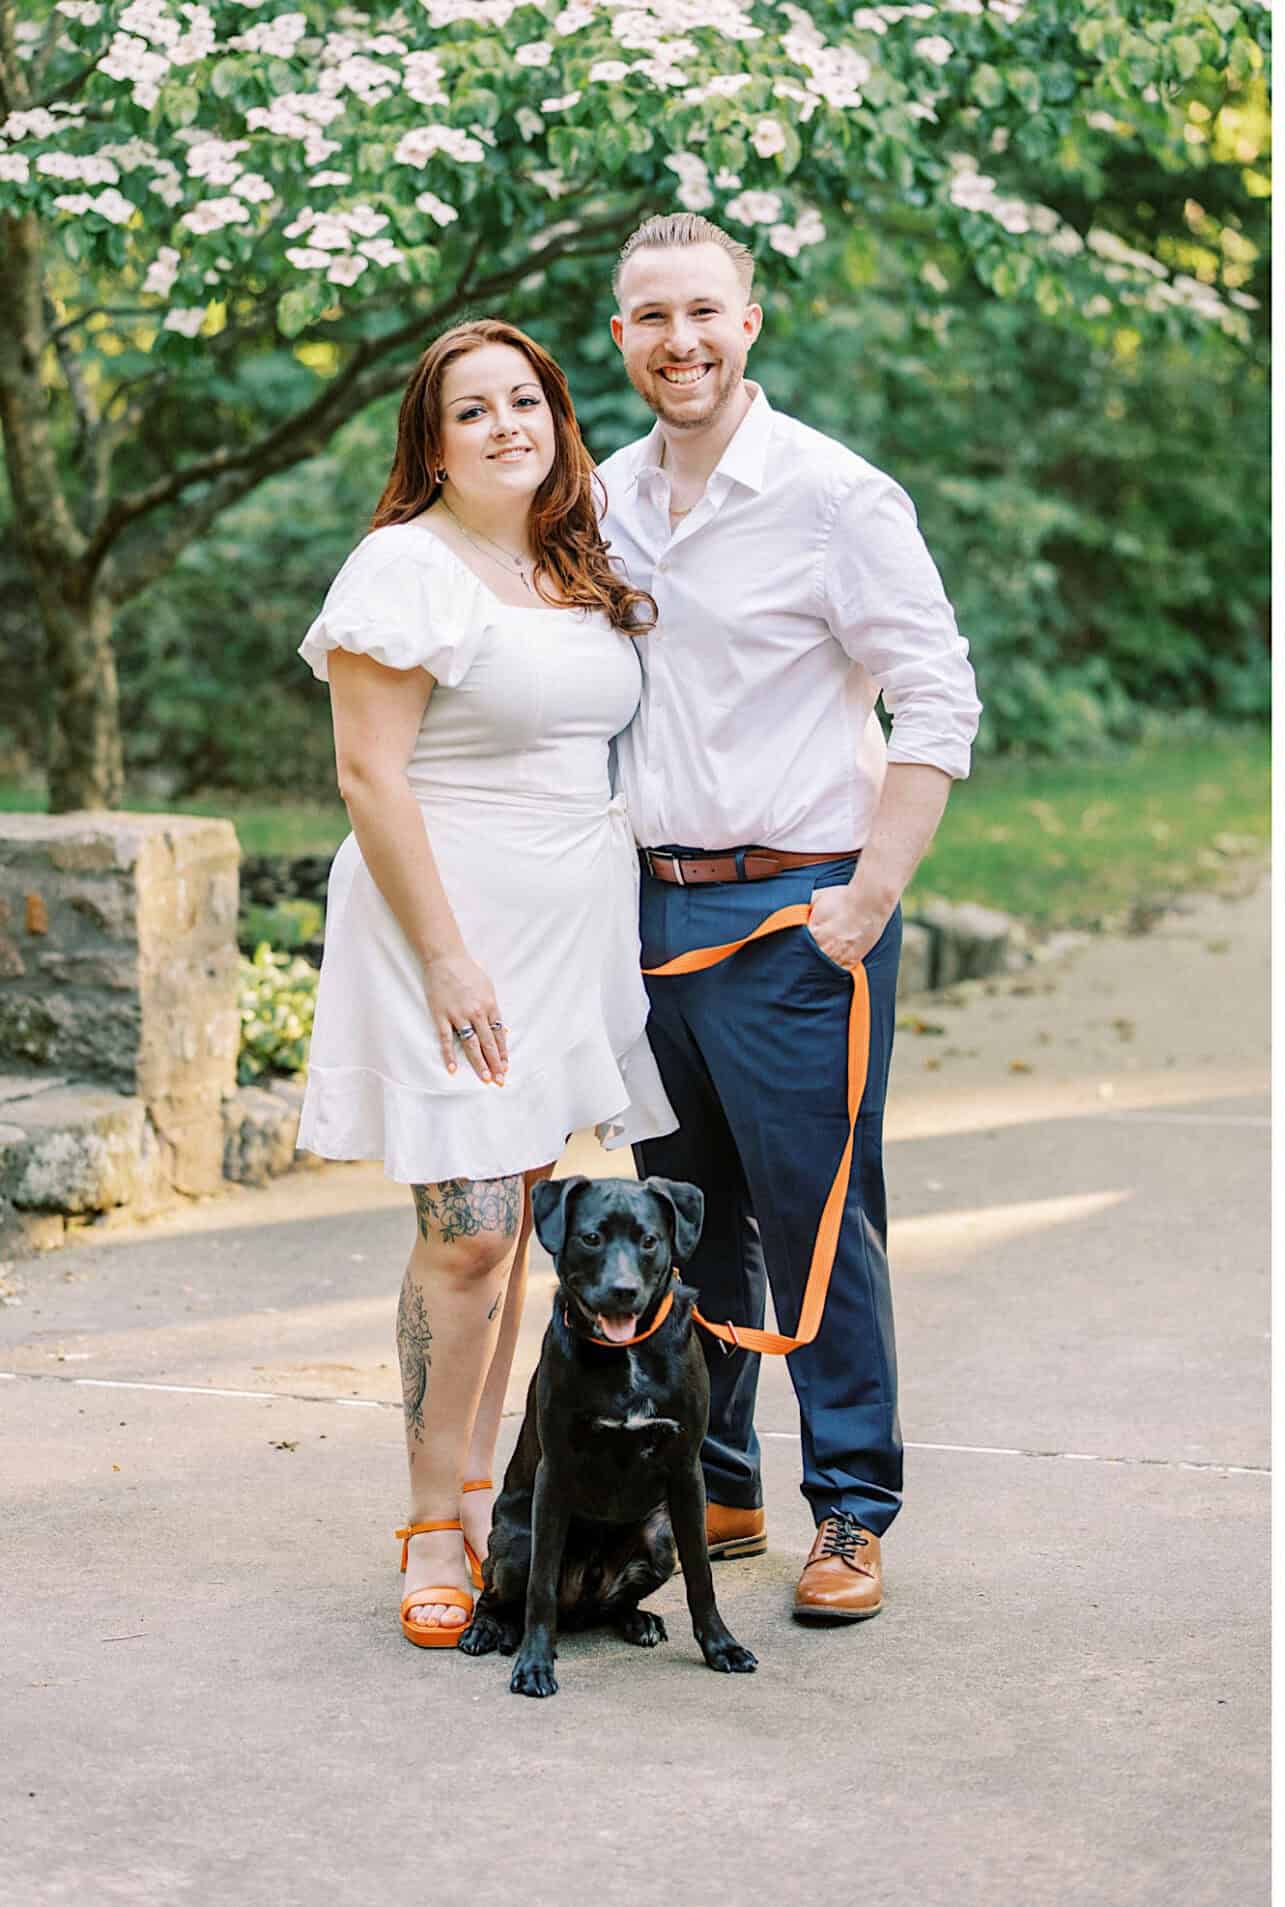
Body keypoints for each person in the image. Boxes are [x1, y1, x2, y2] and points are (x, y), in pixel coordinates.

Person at [597, 214, 980, 1626]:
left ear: (751, 320)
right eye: (650, 315)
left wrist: (871, 894)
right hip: (651, 917)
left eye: (704, 310)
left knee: (821, 1220)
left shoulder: (835, 496)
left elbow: (938, 695)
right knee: (691, 1218)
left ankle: (853, 1511)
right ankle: (719, 1481)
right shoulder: (603, 496)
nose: (679, 339)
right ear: (622, 332)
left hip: (797, 910)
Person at [295, 319, 676, 1649]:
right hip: (443, 924)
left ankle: (488, 1487)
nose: (509, 423)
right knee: (466, 1233)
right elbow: (369, 775)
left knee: (515, 1230)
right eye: (475, 409)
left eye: (528, 399)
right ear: (432, 441)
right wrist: (449, 952)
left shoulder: (570, 562)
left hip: (568, 927)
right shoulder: (405, 567)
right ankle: (425, 1515)